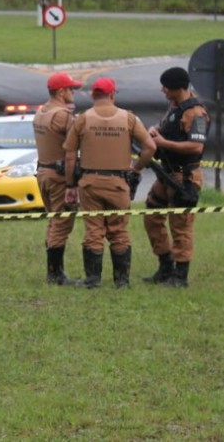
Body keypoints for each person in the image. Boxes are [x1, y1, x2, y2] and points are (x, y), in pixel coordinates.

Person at [64, 77, 155, 289]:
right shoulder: (129, 119)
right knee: (119, 230)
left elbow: (69, 155)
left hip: (90, 183)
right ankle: (121, 282)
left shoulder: (82, 119)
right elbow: (150, 147)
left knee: (93, 231)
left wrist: (70, 184)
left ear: (93, 96)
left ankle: (93, 280)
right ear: (113, 95)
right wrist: (136, 167)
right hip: (118, 183)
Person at [143, 66, 210, 288]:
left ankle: (180, 276)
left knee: (180, 225)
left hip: (185, 177)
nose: (163, 90)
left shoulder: (196, 113)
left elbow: (196, 146)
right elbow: (167, 130)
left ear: (178, 88)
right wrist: (156, 132)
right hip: (166, 174)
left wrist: (163, 143)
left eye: (166, 87)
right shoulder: (174, 107)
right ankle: (165, 266)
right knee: (152, 215)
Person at [32, 71, 82, 285]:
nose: (73, 93)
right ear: (61, 92)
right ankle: (55, 274)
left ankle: (54, 271)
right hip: (58, 175)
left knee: (53, 221)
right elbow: (79, 141)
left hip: (43, 172)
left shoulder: (41, 111)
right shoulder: (62, 115)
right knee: (62, 222)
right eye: (71, 89)